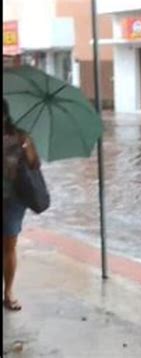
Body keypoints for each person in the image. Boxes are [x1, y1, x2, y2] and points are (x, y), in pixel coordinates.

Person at [3, 98, 40, 311]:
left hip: (12, 200)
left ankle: (8, 292)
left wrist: (26, 147)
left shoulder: (20, 136)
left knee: (9, 245)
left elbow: (35, 164)